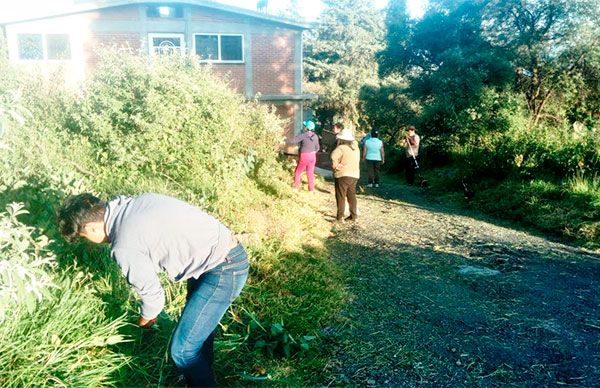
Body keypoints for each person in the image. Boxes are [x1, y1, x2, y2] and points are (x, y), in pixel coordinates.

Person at [57, 193, 249, 387]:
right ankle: (196, 379)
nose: (90, 241)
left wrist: (142, 323)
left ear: (91, 227)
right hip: (220, 254)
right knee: (196, 335)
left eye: (85, 236)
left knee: (182, 350)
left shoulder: (123, 245)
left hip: (223, 269)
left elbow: (154, 298)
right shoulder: (134, 203)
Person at [330, 126, 360, 222]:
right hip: (354, 175)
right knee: (351, 195)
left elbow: (333, 156)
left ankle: (340, 217)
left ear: (342, 139)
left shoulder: (341, 148)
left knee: (341, 195)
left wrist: (335, 165)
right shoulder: (356, 148)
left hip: (343, 174)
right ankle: (354, 215)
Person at [288, 120, 320, 192]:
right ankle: (311, 190)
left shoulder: (304, 135)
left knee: (298, 171)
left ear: (307, 128)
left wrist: (287, 138)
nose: (304, 127)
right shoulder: (315, 136)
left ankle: (296, 187)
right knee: (310, 172)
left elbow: (293, 141)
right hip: (313, 156)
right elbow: (317, 148)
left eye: (305, 126)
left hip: (305, 155)